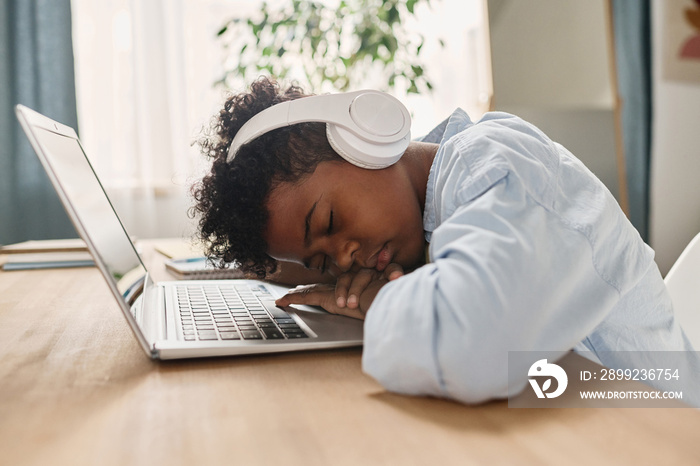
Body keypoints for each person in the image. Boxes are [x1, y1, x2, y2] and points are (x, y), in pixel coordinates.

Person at [191, 76, 698, 405]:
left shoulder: (493, 166)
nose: (344, 257)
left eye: (327, 222)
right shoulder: (430, 200)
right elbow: (305, 254)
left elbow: (474, 346)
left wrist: (383, 299)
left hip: (658, 422)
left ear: (362, 138)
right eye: (323, 261)